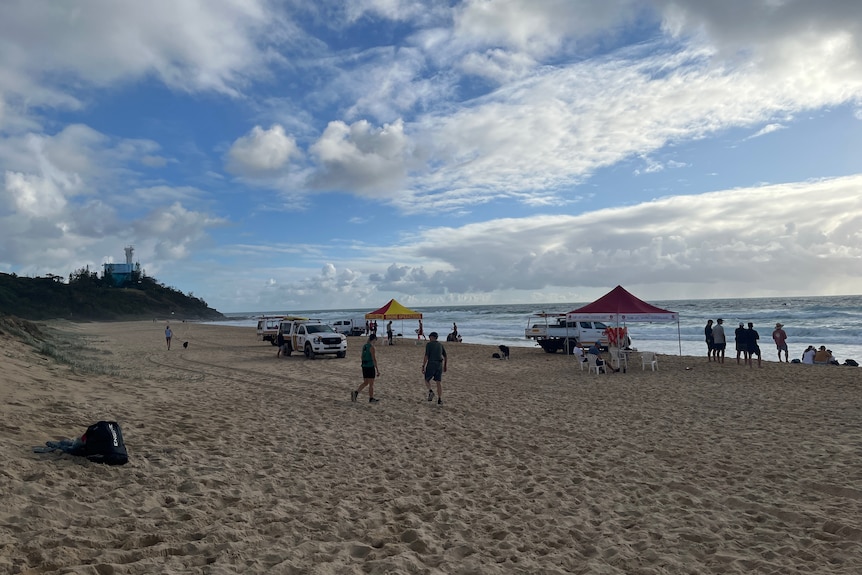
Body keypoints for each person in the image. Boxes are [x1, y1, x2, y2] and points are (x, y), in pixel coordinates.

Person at [352, 334, 380, 403]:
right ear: (373, 339)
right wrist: (377, 370)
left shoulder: (364, 346)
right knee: (371, 384)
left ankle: (356, 392)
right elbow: (374, 359)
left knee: (366, 382)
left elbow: (362, 357)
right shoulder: (372, 347)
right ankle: (371, 398)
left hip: (364, 366)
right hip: (370, 366)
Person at [422, 332, 447, 404]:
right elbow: (445, 356)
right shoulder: (440, 344)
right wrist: (445, 366)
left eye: (430, 337)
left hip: (432, 363)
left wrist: (423, 366)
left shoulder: (429, 345)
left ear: (432, 337)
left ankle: (430, 391)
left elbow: (426, 356)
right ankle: (439, 399)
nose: (429, 338)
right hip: (439, 364)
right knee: (438, 382)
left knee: (426, 379)